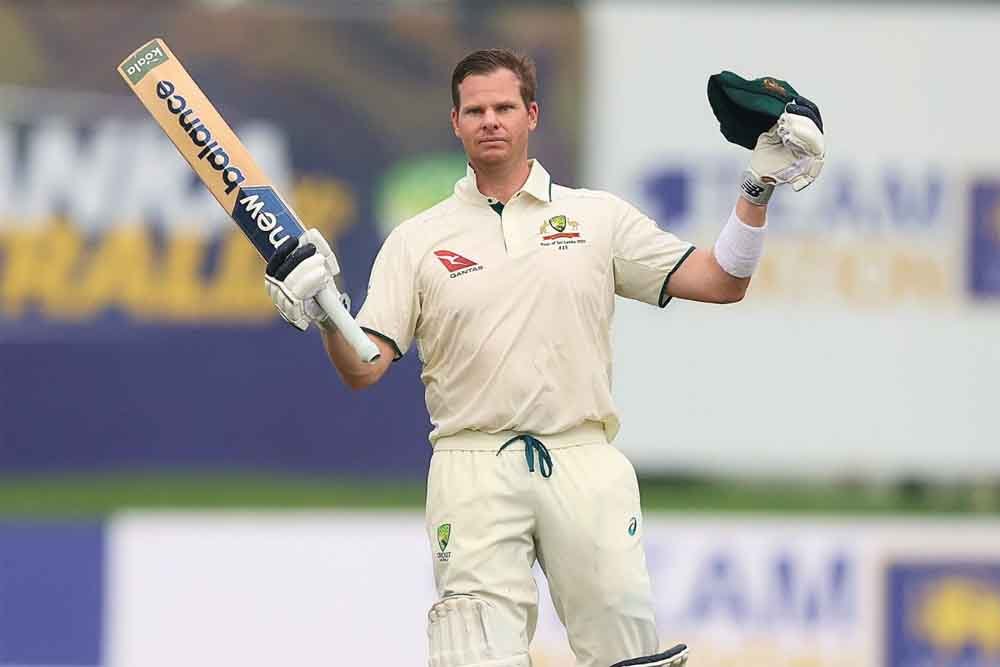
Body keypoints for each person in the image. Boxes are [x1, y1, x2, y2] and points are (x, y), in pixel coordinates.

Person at [263, 49, 824, 667]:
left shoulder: (596, 217)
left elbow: (721, 280)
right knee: (474, 656)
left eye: (504, 107)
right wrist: (326, 315)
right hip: (472, 464)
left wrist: (757, 188)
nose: (490, 121)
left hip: (581, 454)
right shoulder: (417, 240)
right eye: (475, 111)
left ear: (531, 114)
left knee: (623, 652)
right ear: (455, 123)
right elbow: (363, 367)